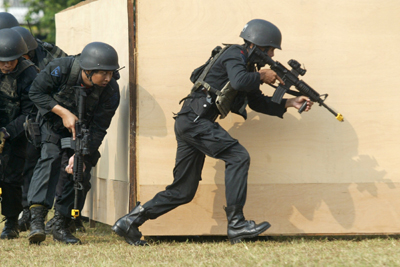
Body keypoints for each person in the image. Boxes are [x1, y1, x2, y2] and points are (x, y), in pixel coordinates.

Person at [112, 19, 313, 246]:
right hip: (196, 121)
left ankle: (129, 221)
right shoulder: (233, 54)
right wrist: (261, 76)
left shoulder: (246, 67)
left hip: (192, 122)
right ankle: (237, 224)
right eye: (271, 50)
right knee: (238, 156)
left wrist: (290, 102)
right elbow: (238, 81)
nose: (273, 55)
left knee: (183, 191)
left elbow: (257, 103)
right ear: (258, 46)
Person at [27, 41, 120, 244]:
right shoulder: (60, 69)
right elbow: (35, 92)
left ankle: (61, 224)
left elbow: (99, 127)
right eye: (103, 73)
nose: (108, 78)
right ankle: (37, 221)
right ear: (87, 70)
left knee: (78, 171)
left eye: (111, 73)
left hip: (83, 132)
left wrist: (81, 154)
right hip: (53, 124)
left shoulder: (111, 91)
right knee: (49, 160)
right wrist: (62, 112)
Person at [10, 25, 70, 233]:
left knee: (52, 162)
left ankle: (62, 215)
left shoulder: (50, 58)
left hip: (52, 115)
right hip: (29, 115)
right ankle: (26, 212)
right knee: (28, 164)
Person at [0, 28, 39, 239]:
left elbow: (30, 112)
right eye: (2, 61)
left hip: (17, 132)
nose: (7, 65)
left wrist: (6, 133)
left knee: (11, 179)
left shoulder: (29, 73)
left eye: (11, 60)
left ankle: (11, 223)